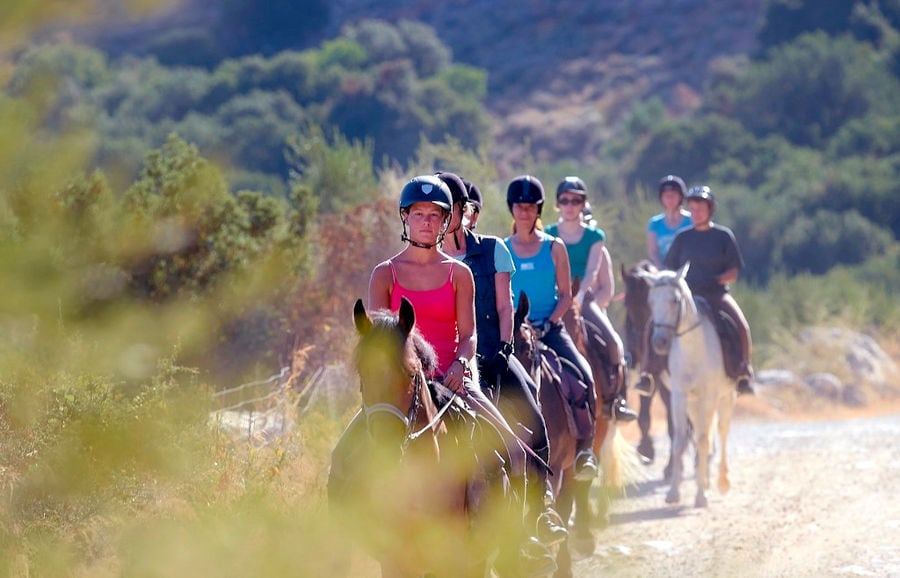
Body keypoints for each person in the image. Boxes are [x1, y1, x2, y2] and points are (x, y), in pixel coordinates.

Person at [368, 174, 555, 573]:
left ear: (447, 219)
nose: (427, 222)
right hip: (402, 383)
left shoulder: (459, 274)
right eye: (418, 214)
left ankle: (514, 539)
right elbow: (376, 339)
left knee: (512, 447)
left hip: (453, 378)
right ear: (405, 219)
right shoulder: (385, 274)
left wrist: (458, 367)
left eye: (435, 215)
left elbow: (468, 335)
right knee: (346, 455)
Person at [436, 171, 567, 547]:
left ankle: (542, 509)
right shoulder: (426, 258)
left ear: (464, 212)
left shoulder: (493, 248)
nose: (443, 218)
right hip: (441, 365)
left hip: (491, 356)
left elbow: (504, 307)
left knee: (535, 418)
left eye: (450, 210)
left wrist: (506, 347)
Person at [503, 174, 601, 482]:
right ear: (512, 209)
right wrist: (516, 324)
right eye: (519, 206)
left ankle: (585, 450)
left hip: (550, 328)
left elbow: (566, 294)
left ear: (539, 210)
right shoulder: (502, 249)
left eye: (530, 207)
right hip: (516, 330)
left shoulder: (554, 247)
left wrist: (549, 322)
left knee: (583, 373)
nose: (524, 212)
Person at [544, 176, 637, 422]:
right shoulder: (549, 233)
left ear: (583, 203)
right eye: (565, 200)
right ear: (558, 204)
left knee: (614, 343)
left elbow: (592, 271)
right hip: (555, 300)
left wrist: (579, 296)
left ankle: (615, 401)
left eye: (576, 200)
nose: (570, 205)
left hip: (584, 300)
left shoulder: (595, 236)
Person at [664, 185, 755, 395]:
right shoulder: (682, 238)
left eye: (700, 209)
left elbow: (734, 271)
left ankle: (743, 370)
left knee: (741, 325)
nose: (696, 213)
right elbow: (669, 268)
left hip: (716, 294)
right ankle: (649, 372)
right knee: (658, 323)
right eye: (693, 209)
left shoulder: (723, 236)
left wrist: (714, 279)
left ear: (710, 210)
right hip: (687, 295)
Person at [635, 174, 693, 395]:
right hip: (663, 278)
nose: (669, 199)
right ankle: (647, 372)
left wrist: (681, 275)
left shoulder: (690, 221)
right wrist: (662, 274)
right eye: (666, 195)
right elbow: (652, 252)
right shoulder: (655, 223)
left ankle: (738, 367)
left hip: (688, 279)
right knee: (652, 323)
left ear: (681, 197)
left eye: (674, 195)